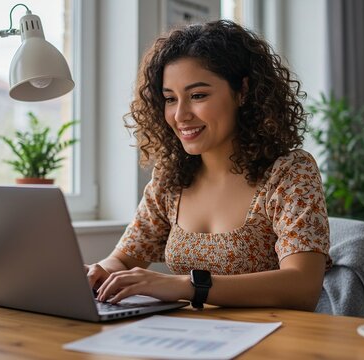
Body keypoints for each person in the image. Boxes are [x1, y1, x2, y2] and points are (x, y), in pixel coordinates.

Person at [85, 20, 331, 311]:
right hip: (193, 340)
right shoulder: (170, 178)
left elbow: (302, 286)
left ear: (242, 91)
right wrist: (98, 271)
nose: (180, 114)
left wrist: (185, 285)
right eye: (169, 99)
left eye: (198, 96)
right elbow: (124, 259)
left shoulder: (289, 172)